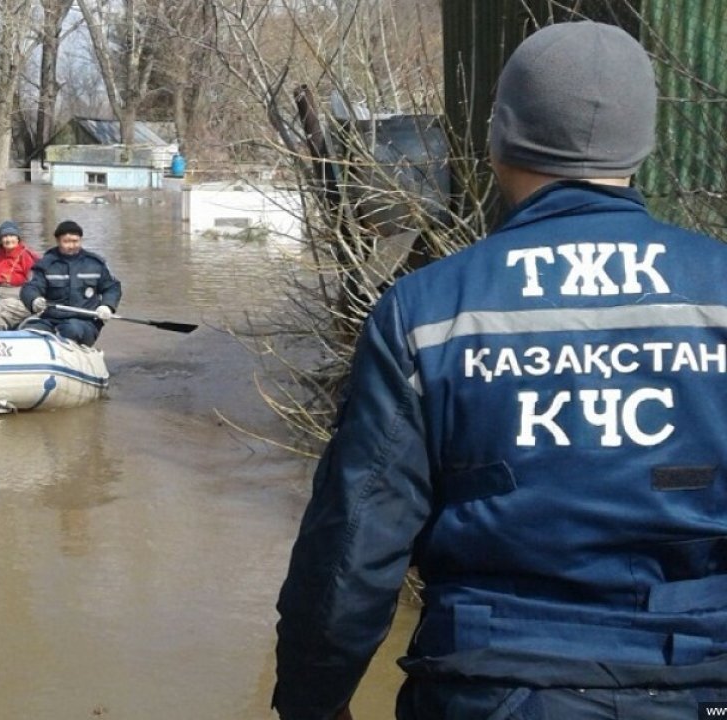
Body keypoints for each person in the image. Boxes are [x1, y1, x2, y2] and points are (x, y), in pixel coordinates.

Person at [273, 21, 727, 720]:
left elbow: (355, 540)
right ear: (643, 144)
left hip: (487, 686)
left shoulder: (427, 310)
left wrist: (313, 700)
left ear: (499, 137)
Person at [20, 220, 122, 346]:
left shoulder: (95, 264)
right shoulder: (46, 264)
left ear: (81, 240)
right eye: (66, 242)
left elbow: (112, 287)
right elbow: (30, 287)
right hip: (51, 319)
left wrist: (107, 306)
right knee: (29, 333)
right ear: (58, 241)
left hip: (85, 323)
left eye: (75, 241)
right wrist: (34, 300)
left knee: (72, 329)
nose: (71, 245)